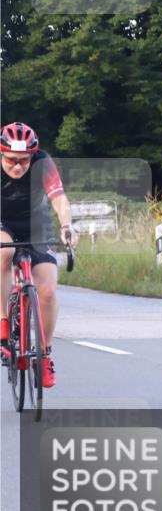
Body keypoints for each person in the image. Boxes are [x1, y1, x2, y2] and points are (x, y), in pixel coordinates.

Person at [1, 122, 78, 387]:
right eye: (12, 160)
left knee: (47, 291)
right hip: (2, 223)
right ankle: (3, 324)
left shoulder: (43, 163)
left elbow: (59, 199)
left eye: (24, 161)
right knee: (5, 253)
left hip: (36, 222)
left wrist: (67, 227)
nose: (18, 166)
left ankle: (44, 356)